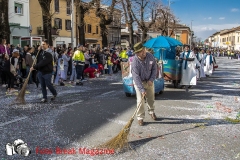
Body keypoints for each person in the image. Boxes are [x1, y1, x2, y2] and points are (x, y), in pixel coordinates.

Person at [131, 42, 157, 126]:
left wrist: (151, 79)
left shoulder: (150, 56)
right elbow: (136, 77)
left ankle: (151, 111)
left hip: (149, 80)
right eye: (141, 51)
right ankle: (140, 117)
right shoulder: (135, 62)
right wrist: (142, 89)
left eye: (144, 50)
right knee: (140, 101)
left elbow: (154, 68)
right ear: (137, 53)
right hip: (139, 82)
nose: (144, 52)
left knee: (151, 98)